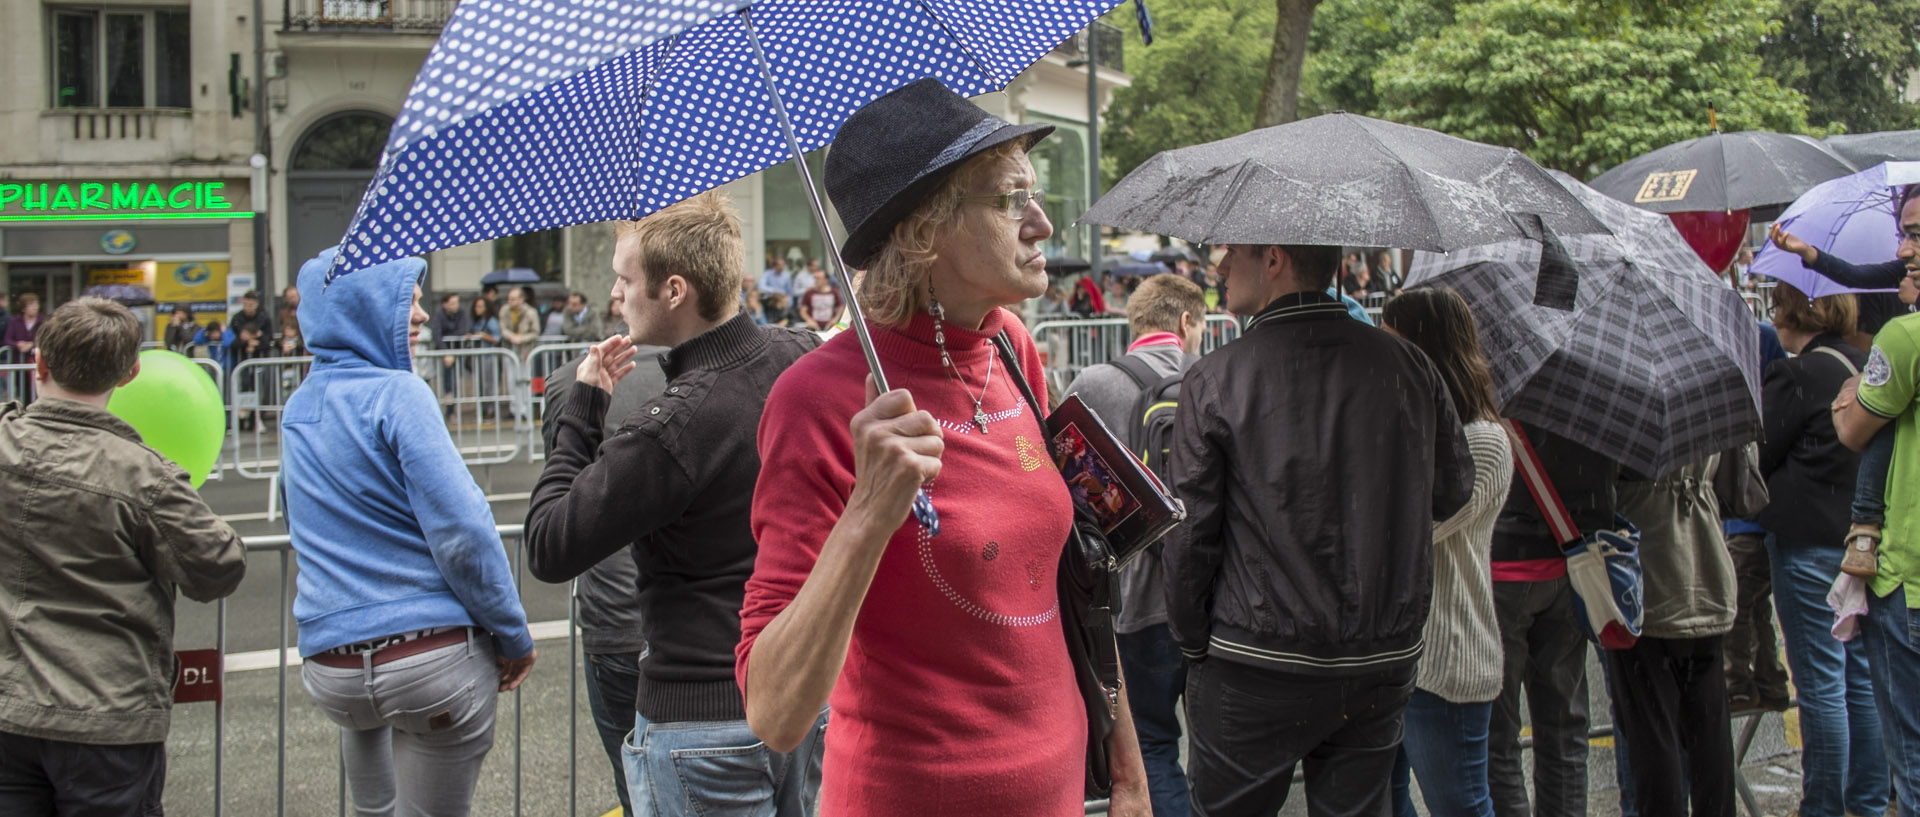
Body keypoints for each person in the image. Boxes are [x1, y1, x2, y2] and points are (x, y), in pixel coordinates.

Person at [736, 77, 1150, 817]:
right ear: (923, 228)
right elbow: (774, 710)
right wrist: (867, 514)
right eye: (1008, 198)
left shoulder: (1014, 349)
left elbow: (1073, 576)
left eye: (1035, 194)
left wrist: (1128, 770)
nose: (1043, 225)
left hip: (1060, 792)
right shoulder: (817, 400)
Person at [525, 191, 825, 817]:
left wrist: (580, 414)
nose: (618, 294)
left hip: (705, 723)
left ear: (675, 290)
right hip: (807, 693)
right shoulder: (802, 356)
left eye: (626, 279)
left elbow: (551, 544)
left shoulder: (672, 428)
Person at [1164, 236, 1471, 816]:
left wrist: (1191, 639)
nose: (1220, 267)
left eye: (1233, 254)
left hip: (1254, 660)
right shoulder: (1408, 365)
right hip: (1377, 657)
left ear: (1274, 258)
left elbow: (1188, 536)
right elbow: (1453, 489)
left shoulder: (1215, 378)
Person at [283, 249, 536, 817]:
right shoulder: (399, 393)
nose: (421, 316)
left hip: (333, 667)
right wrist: (512, 634)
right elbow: (462, 532)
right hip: (430, 663)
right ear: (363, 310)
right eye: (407, 301)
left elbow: (301, 522)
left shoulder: (298, 407)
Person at [0, 297, 246, 815]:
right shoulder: (145, 475)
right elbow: (218, 566)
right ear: (132, 372)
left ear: (38, 363)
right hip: (106, 716)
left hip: (10, 708)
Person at [1063, 273, 1208, 817]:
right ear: (1187, 323)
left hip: (1133, 603)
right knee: (1215, 752)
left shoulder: (1094, 382)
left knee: (1151, 743)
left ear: (1136, 322)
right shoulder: (1212, 376)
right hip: (1212, 598)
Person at [1381, 289, 1515, 817]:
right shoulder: (1411, 425)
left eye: (1393, 341)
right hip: (1393, 657)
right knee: (1382, 803)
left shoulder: (1481, 441)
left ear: (1425, 349)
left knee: (1458, 805)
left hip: (1446, 657)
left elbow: (1408, 530)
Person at [1757, 284, 1889, 817]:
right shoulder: (1868, 366)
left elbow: (1760, 452)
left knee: (1820, 684)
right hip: (1860, 542)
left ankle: (1824, 807)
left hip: (1807, 544)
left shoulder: (1798, 374)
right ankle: (1867, 801)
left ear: (1795, 311)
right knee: (1861, 680)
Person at [539, 340, 668, 817]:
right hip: (726, 623)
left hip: (620, 621)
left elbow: (555, 510)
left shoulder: (572, 378)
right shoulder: (766, 358)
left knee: (638, 793)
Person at [1831, 188, 1920, 814]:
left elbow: (1854, 428)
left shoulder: (1904, 337)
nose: (1904, 250)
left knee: (1913, 770)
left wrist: (1851, 390)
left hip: (1909, 580)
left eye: (1915, 234)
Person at [1487, 420, 1617, 817]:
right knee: (1565, 726)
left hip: (1504, 564)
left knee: (1497, 736)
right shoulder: (1594, 386)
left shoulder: (1498, 382)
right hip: (1572, 557)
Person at [1724, 319, 1791, 713]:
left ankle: (1737, 685)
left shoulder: (1755, 336)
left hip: (1744, 520)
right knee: (1756, 609)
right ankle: (1770, 681)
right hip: (1754, 516)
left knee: (1734, 607)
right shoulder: (1762, 336)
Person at [6, 293, 44, 360]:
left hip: (37, 361)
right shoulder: (15, 321)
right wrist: (17, 344)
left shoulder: (43, 321)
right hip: (18, 361)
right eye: (31, 305)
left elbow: (46, 339)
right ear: (23, 309)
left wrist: (32, 344)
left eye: (36, 304)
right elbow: (7, 339)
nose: (35, 307)